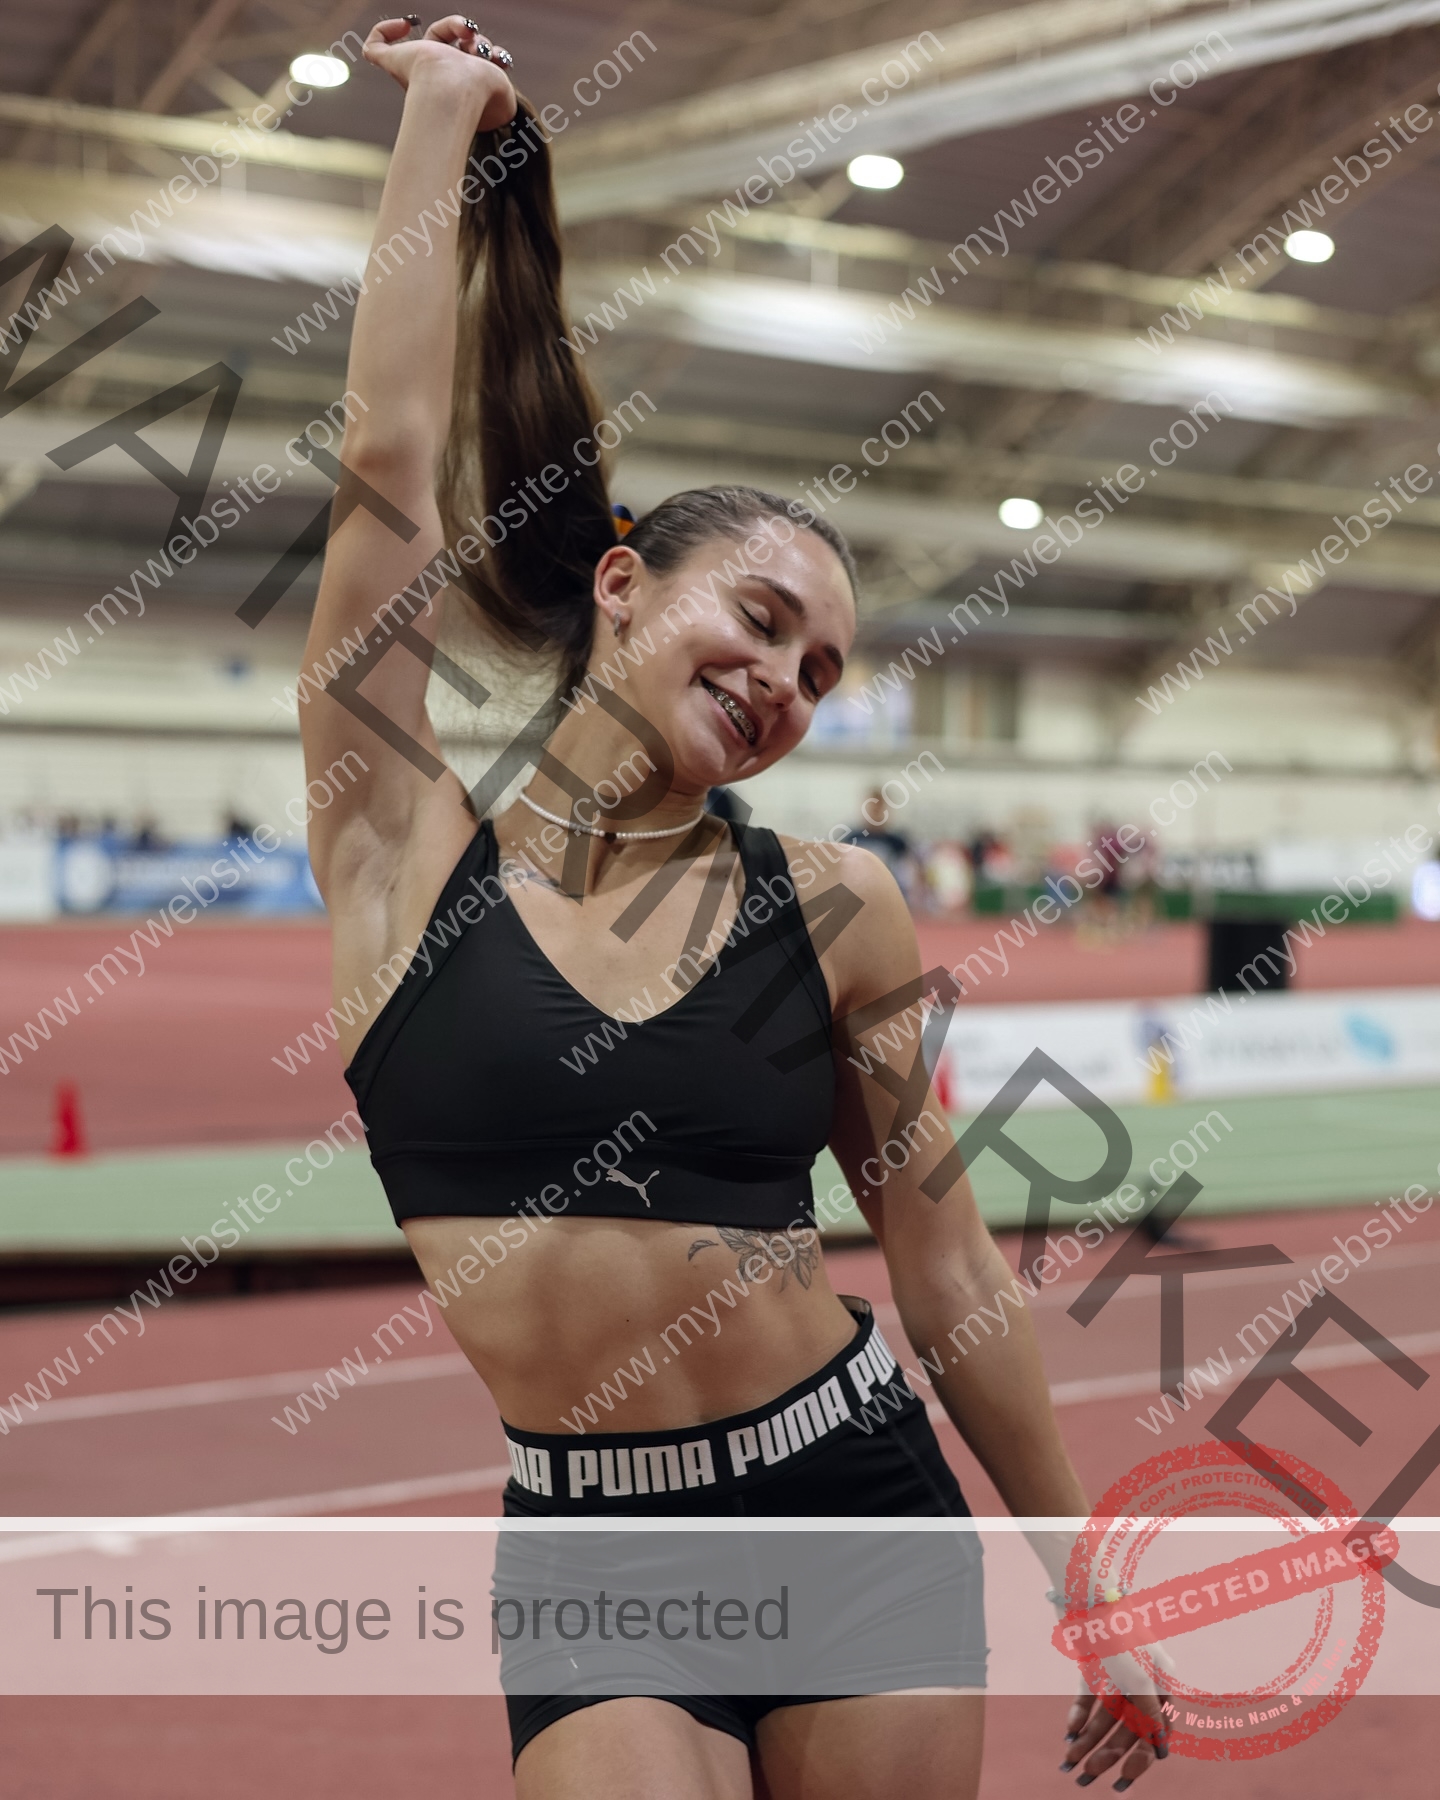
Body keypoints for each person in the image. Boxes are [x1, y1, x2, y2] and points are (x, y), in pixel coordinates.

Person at [300, 18, 1167, 1798]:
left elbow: (943, 1261)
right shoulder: (397, 844)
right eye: (760, 619)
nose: (787, 679)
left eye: (823, 670)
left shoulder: (834, 907)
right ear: (621, 589)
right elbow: (388, 460)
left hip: (852, 1504)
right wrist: (444, 129)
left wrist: (1080, 1566)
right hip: (593, 1548)